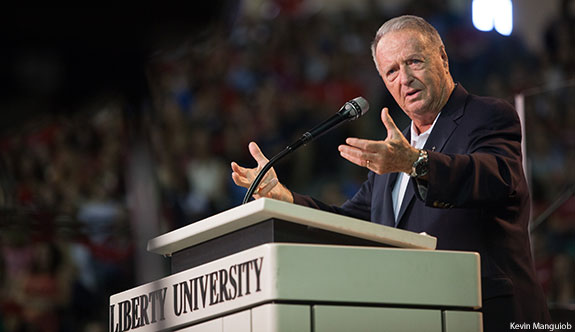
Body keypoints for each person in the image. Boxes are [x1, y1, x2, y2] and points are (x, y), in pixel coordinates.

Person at [231, 15, 551, 330]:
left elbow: (495, 178)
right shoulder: (393, 154)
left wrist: (414, 163)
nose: (404, 78)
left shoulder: (486, 116)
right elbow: (349, 224)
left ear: (442, 57)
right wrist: (284, 198)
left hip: (489, 315)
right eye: (392, 71)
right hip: (418, 317)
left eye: (414, 62)